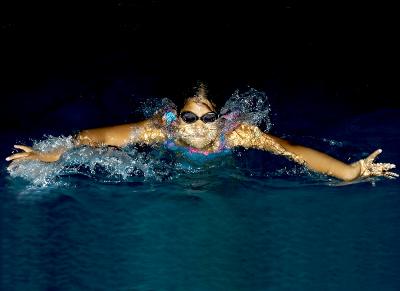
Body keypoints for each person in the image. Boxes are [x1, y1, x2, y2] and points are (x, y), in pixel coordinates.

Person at [5, 82, 398, 182]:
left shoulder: (239, 134)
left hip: (222, 170)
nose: (197, 128)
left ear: (222, 119)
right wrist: (51, 154)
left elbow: (293, 150)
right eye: (189, 119)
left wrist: (349, 171)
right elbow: (98, 138)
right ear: (176, 118)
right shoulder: (166, 132)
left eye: (208, 118)